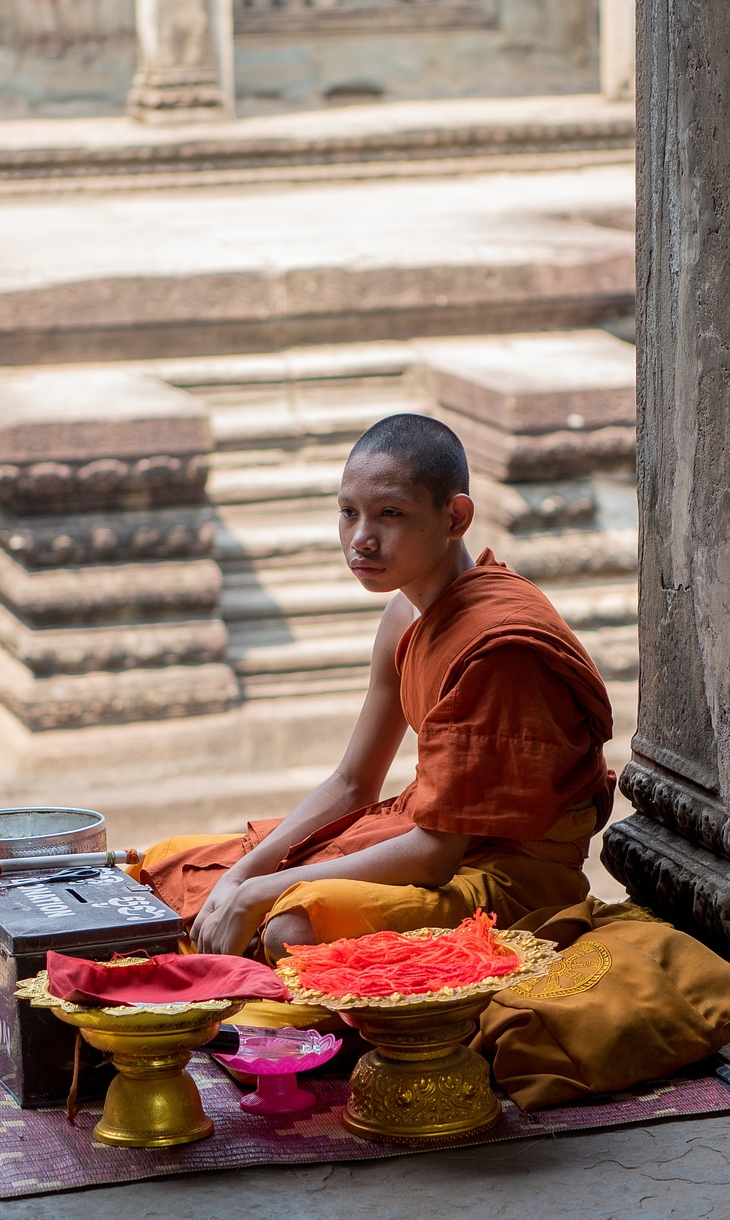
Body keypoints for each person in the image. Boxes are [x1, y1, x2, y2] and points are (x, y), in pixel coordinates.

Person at [130, 413, 615, 967]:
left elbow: (434, 856)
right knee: (175, 865)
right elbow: (352, 781)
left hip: (503, 881)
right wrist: (243, 875)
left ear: (455, 516)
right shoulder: (403, 613)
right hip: (424, 840)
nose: (361, 538)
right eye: (348, 512)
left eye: (391, 514)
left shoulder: (498, 647)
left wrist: (259, 892)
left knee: (293, 924)